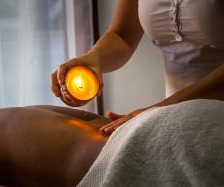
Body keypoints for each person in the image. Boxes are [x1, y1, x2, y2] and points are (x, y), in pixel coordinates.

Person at [51, 0, 224, 135]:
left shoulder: (161, 112)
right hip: (173, 121)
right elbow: (122, 36)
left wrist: (158, 110)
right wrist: (92, 59)